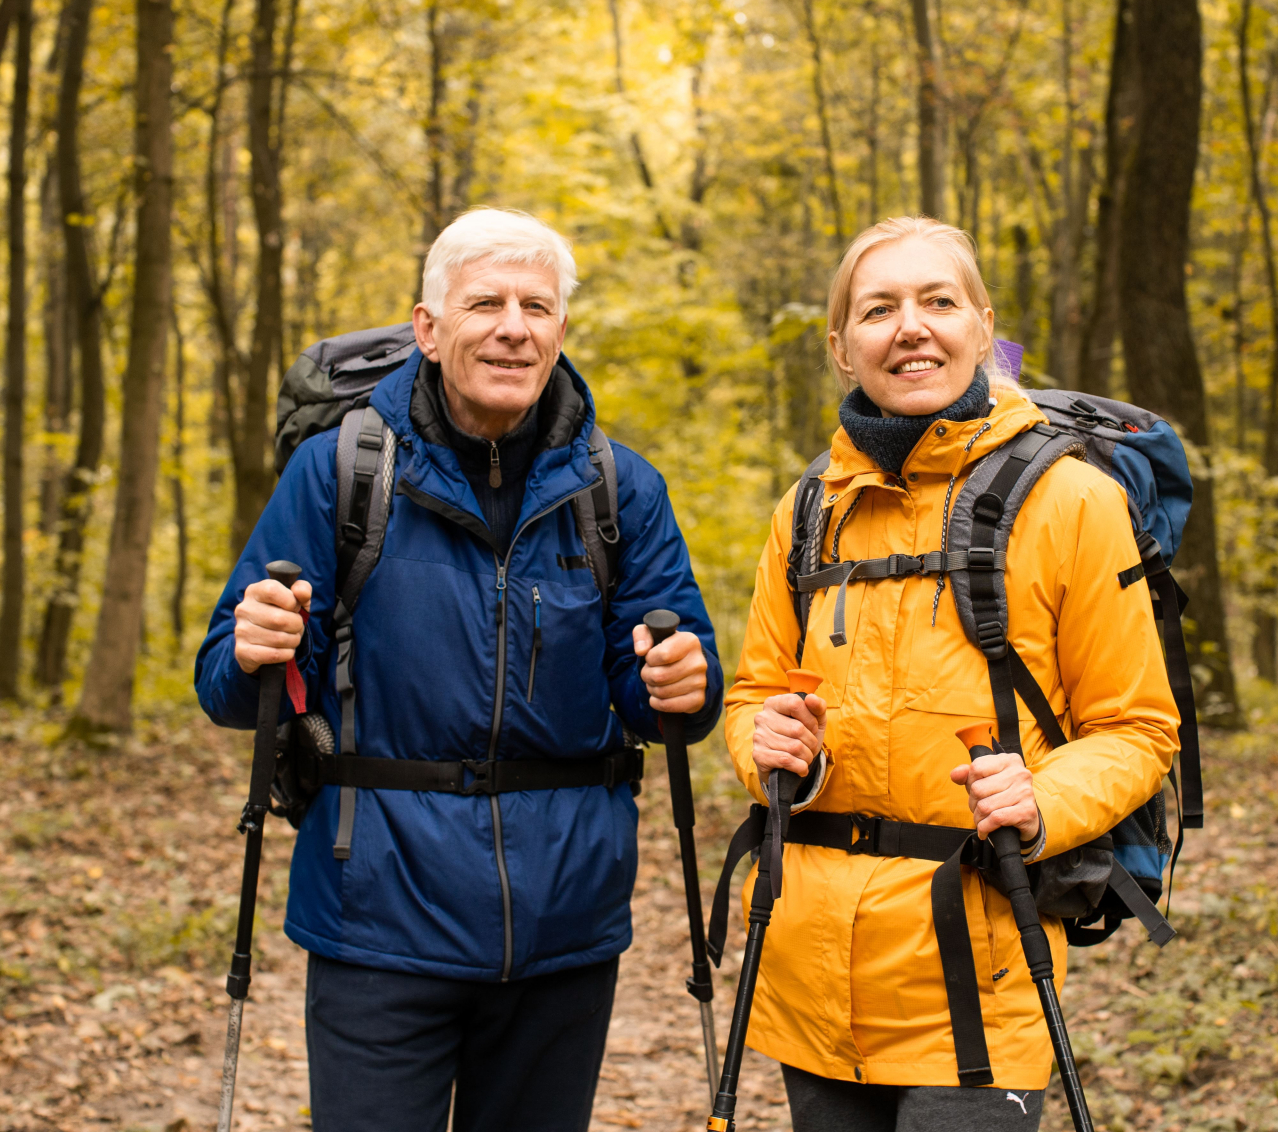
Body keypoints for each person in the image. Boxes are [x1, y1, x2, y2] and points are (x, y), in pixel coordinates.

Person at [195, 207, 724, 1132]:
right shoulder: (339, 474)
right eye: (486, 302)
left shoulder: (619, 488)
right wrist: (253, 650)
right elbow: (230, 686)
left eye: (537, 306)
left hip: (562, 928)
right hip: (377, 922)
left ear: (561, 330)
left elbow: (667, 689)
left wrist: (683, 684)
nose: (514, 327)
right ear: (429, 329)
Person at [722, 217, 1179, 1130]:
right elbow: (753, 696)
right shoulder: (808, 509)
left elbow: (1138, 727)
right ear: (843, 348)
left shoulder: (1072, 500)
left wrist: (1043, 799)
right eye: (879, 308)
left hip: (981, 967)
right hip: (812, 975)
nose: (910, 327)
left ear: (982, 326)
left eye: (938, 301)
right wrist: (773, 749)